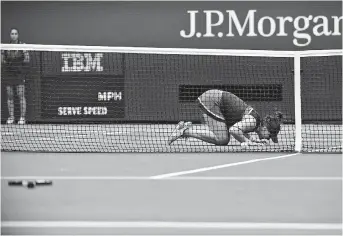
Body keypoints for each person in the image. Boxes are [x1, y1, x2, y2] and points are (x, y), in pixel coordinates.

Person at [168, 89, 283, 148]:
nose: (268, 139)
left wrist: (253, 140)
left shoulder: (255, 122)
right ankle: (184, 131)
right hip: (212, 101)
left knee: (223, 138)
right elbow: (234, 130)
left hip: (215, 101)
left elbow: (240, 129)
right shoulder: (253, 121)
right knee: (222, 139)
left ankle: (186, 128)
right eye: (270, 136)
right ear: (266, 129)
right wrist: (247, 142)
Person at [2, 28, 29, 125]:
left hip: (19, 74)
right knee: (10, 96)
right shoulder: (6, 47)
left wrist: (23, 54)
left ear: (18, 35)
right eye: (12, 33)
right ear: (10, 35)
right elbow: (2, 61)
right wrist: (8, 61)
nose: (14, 35)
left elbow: (27, 60)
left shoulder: (22, 46)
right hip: (9, 73)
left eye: (15, 33)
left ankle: (22, 118)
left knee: (21, 95)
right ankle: (11, 117)